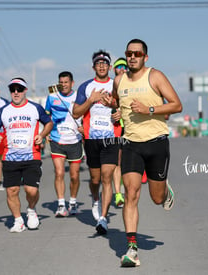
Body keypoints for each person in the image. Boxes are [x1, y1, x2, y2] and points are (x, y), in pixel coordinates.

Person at [104, 38, 182, 267]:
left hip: (156, 142)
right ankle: (132, 249)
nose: (132, 57)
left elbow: (176, 105)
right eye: (129, 53)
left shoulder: (155, 76)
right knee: (131, 193)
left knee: (156, 198)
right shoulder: (119, 80)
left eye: (137, 53)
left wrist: (149, 109)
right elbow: (117, 103)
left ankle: (164, 189)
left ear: (145, 57)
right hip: (131, 144)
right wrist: (113, 109)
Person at [0, 77, 53, 232]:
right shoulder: (4, 110)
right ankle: (18, 220)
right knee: (12, 191)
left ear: (25, 90)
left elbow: (49, 122)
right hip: (10, 157)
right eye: (13, 89)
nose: (16, 92)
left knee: (31, 190)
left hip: (32, 155)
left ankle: (31, 210)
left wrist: (42, 134)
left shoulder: (35, 108)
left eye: (19, 89)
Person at [73, 50, 120, 235]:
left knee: (107, 177)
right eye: (98, 63)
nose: (101, 66)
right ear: (93, 67)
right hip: (91, 139)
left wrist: (116, 109)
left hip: (110, 138)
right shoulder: (86, 87)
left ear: (110, 67)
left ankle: (103, 218)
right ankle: (95, 199)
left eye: (105, 63)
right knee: (95, 179)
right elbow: (76, 112)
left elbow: (123, 108)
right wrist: (91, 100)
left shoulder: (117, 85)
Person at [45, 71, 83, 217]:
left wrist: (84, 127)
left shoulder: (79, 97)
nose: (64, 85)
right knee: (59, 172)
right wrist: (46, 131)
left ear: (72, 83)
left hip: (74, 140)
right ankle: (61, 205)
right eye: (61, 82)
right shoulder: (52, 96)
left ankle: (72, 203)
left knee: (74, 175)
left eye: (66, 82)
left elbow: (85, 114)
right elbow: (46, 115)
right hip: (57, 139)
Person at [112, 58, 127, 207]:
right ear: (114, 70)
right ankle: (118, 194)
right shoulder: (113, 86)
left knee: (127, 162)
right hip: (116, 129)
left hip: (133, 129)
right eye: (118, 67)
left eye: (124, 66)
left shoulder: (134, 85)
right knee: (117, 162)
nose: (122, 69)